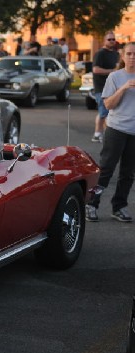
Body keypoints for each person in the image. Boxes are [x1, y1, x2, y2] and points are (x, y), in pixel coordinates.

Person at [85, 41, 135, 223]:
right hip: (116, 129)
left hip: (134, 132)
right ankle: (92, 204)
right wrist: (124, 88)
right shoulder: (115, 77)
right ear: (123, 56)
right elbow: (107, 105)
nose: (132, 57)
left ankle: (119, 206)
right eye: (129, 54)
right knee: (106, 169)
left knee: (128, 173)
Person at [91, 31, 120, 142]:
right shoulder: (100, 53)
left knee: (108, 113)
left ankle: (101, 134)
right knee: (104, 113)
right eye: (109, 39)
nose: (112, 41)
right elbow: (95, 69)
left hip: (113, 88)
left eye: (113, 39)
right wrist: (112, 71)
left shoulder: (115, 54)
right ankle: (101, 135)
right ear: (104, 41)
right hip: (101, 88)